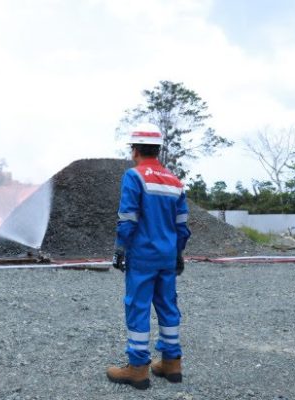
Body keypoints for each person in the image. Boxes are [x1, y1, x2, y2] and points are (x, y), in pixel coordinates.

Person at [106, 123, 191, 390]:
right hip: (167, 256)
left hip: (142, 256)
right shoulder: (175, 181)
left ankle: (138, 368)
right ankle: (171, 363)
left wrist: (121, 248)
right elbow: (182, 226)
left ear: (135, 150)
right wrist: (178, 253)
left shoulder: (135, 176)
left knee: (138, 307)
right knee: (168, 306)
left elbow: (128, 217)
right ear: (158, 149)